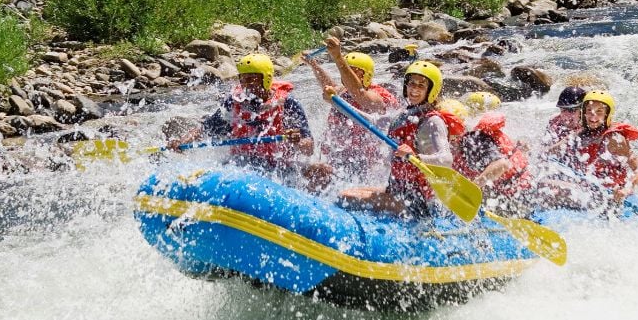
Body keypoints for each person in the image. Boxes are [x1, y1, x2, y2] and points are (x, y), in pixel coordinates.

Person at [167, 53, 331, 189]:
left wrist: (296, 141)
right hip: (241, 164)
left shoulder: (287, 103)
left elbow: (308, 148)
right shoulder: (234, 103)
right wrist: (182, 141)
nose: (247, 84)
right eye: (244, 79)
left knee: (322, 171)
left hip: (280, 166)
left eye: (253, 79)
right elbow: (205, 129)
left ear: (266, 78)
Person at [336, 61, 454, 218]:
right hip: (398, 190)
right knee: (348, 192)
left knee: (345, 197)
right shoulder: (403, 115)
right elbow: (369, 121)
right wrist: (335, 101)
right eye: (412, 83)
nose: (414, 89)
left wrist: (415, 157)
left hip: (418, 201)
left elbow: (446, 159)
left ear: (431, 91)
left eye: (421, 86)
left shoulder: (432, 121)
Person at [306, 36, 399, 177]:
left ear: (366, 75)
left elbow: (360, 95)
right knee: (311, 171)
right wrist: (314, 65)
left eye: (353, 71)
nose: (346, 75)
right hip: (340, 157)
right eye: (346, 71)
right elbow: (329, 84)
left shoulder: (379, 96)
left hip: (366, 163)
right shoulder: (343, 91)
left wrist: (338, 58)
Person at [446, 93, 532, 215]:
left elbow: (502, 164)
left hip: (518, 196)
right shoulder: (475, 136)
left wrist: (471, 189)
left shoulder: (471, 141)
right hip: (520, 187)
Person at [574, 90, 638, 203]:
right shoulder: (582, 134)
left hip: (612, 194)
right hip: (589, 188)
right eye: (589, 110)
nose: (593, 116)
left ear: (607, 114)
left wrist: (626, 190)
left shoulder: (614, 138)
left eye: (599, 111)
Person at [540, 86, 586, 162]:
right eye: (564, 110)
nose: (567, 116)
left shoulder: (586, 126)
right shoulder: (554, 121)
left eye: (572, 111)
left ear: (582, 111)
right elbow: (543, 146)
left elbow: (568, 140)